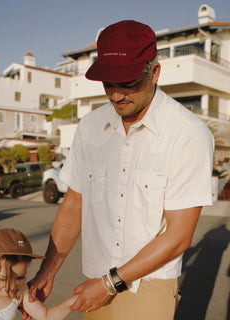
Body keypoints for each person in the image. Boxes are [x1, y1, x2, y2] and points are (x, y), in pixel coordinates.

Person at [28, 20, 214, 320]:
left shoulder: (187, 133)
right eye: (108, 83)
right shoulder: (89, 128)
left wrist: (110, 284)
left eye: (127, 82)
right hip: (93, 282)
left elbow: (179, 235)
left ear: (154, 73)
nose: (115, 95)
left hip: (148, 286)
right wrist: (46, 272)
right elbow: (73, 206)